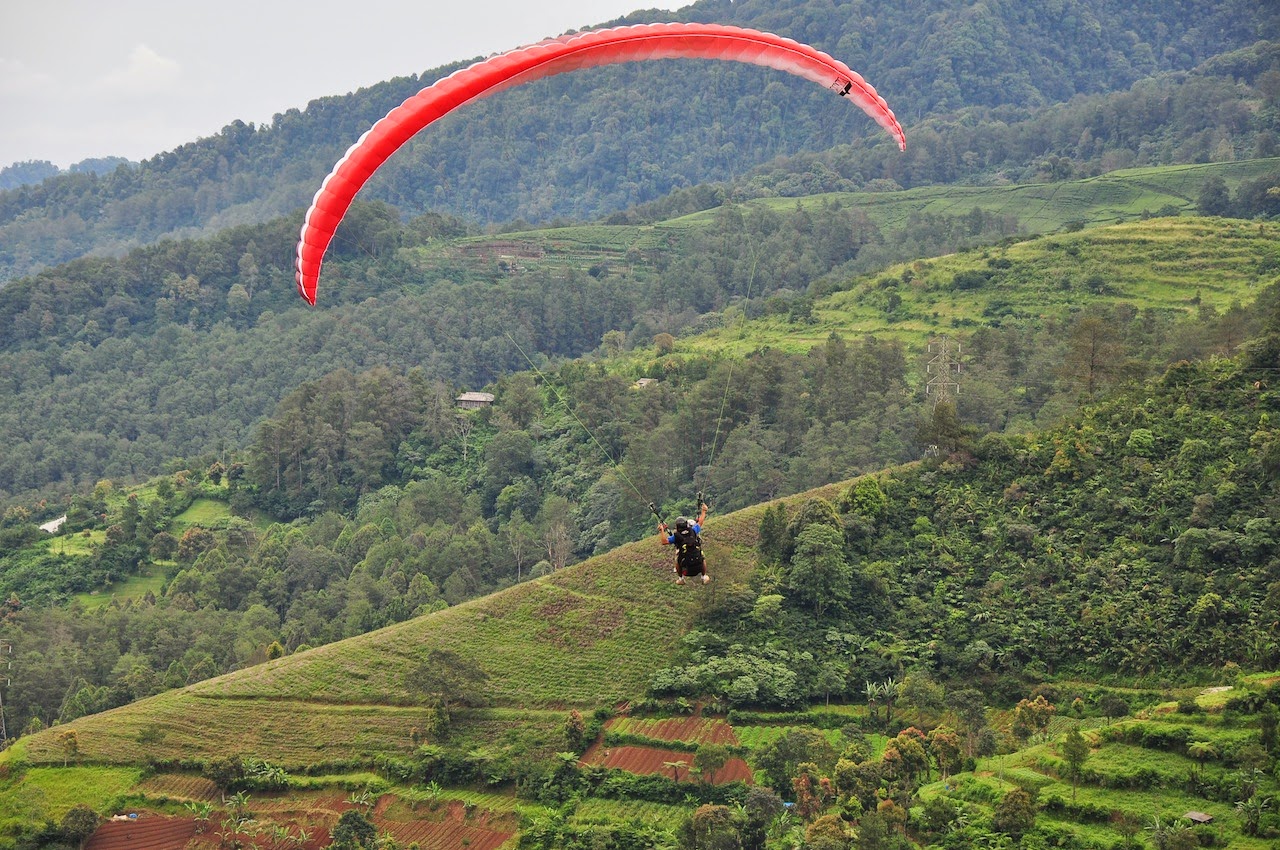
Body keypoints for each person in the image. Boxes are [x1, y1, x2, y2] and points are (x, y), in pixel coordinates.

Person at [659, 501, 709, 585]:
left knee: (677, 559)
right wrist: (704, 511)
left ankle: (681, 578)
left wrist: (661, 530)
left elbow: (664, 541)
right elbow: (700, 522)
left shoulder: (676, 537)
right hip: (698, 564)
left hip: (686, 565)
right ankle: (703, 576)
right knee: (701, 555)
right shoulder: (693, 531)